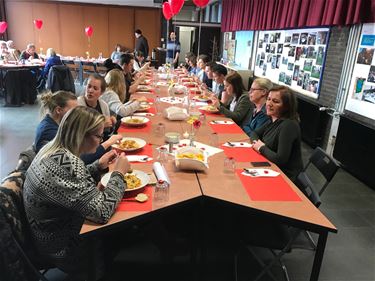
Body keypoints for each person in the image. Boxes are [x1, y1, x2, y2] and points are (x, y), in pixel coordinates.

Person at [24, 106, 130, 280]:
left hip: (43, 234)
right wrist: (119, 174)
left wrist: (98, 166)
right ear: (81, 134)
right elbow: (102, 212)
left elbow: (66, 185)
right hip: (60, 246)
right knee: (124, 227)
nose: (101, 140)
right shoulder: (69, 165)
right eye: (98, 136)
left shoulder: (52, 148)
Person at [250, 85, 303, 181]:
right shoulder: (273, 119)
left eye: (275, 101)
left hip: (285, 178)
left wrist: (261, 147)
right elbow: (254, 133)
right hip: (271, 167)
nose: (269, 104)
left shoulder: (289, 125)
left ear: (286, 106)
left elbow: (280, 159)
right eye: (269, 99)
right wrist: (257, 144)